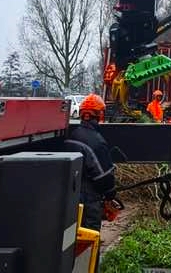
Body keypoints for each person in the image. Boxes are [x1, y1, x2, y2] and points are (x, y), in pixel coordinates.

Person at [66, 94, 117, 237]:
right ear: (100, 114)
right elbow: (103, 177)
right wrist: (111, 194)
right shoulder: (97, 142)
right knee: (89, 236)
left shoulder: (73, 135)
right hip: (89, 200)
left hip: (70, 196)